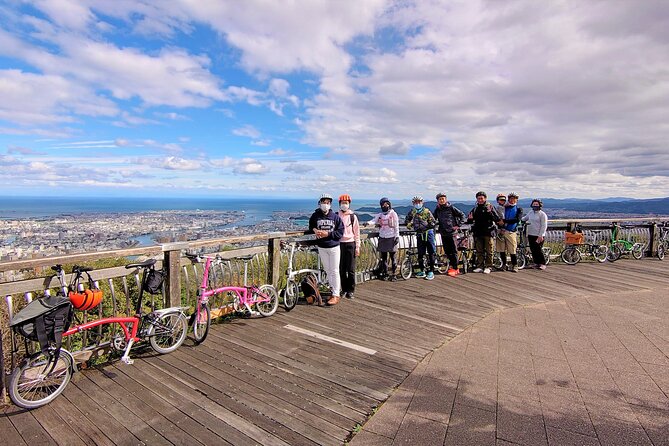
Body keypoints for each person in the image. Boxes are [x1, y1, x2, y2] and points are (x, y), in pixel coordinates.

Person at [308, 193, 345, 305]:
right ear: (320, 203)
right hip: (322, 247)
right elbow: (311, 226)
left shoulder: (335, 217)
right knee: (328, 271)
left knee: (334, 270)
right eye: (324, 202)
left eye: (328, 202)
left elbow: (340, 232)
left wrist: (327, 234)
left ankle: (336, 294)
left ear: (330, 204)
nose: (325, 204)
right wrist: (314, 230)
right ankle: (332, 290)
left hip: (334, 247)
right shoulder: (315, 216)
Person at [467, 191, 502, 274]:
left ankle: (489, 266)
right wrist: (470, 219)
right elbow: (470, 220)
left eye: (482, 198)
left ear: (485, 198)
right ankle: (480, 266)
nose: (480, 200)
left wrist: (490, 212)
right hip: (478, 232)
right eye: (478, 198)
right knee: (479, 250)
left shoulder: (489, 207)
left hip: (488, 232)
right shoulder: (475, 208)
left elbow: (497, 219)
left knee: (489, 250)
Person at [433, 192, 466, 276]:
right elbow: (433, 219)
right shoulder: (438, 209)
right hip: (443, 233)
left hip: (452, 233)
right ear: (437, 201)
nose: (441, 200)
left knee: (453, 250)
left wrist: (458, 225)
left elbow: (462, 215)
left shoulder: (451, 208)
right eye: (440, 199)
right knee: (447, 251)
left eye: (443, 199)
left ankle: (456, 268)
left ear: (446, 199)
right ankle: (452, 267)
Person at [405, 195, 437, 280]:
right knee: (420, 253)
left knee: (431, 252)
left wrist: (427, 227)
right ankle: (422, 270)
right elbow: (407, 220)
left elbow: (433, 222)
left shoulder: (426, 211)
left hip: (428, 234)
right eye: (416, 202)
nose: (417, 203)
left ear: (422, 203)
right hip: (419, 235)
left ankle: (431, 271)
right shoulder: (413, 211)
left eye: (419, 202)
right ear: (413, 203)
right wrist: (409, 224)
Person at [370, 197, 400, 281]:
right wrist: (367, 223)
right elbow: (374, 220)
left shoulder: (393, 214)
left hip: (391, 237)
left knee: (393, 257)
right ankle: (385, 273)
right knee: (384, 258)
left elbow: (396, 225)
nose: (385, 205)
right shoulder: (380, 215)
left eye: (386, 204)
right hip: (382, 237)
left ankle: (394, 274)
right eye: (383, 204)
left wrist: (397, 236)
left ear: (389, 204)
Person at [337, 194, 360, 299]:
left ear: (349, 204)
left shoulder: (352, 216)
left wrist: (357, 247)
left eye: (346, 203)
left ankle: (351, 290)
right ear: (339, 204)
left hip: (351, 243)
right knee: (341, 269)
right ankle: (344, 289)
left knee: (350, 269)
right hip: (339, 244)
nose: (344, 205)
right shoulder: (337, 216)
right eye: (342, 203)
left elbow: (357, 233)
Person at [497, 192, 524, 272]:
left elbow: (517, 219)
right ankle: (504, 264)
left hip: (511, 231)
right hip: (501, 231)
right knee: (501, 249)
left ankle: (514, 265)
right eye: (510, 199)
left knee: (512, 249)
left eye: (514, 199)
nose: (512, 200)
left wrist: (505, 221)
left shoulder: (519, 209)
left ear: (517, 200)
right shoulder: (504, 207)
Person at [522, 198, 548, 270]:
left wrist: (541, 235)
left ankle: (542, 263)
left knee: (538, 249)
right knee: (533, 250)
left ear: (540, 205)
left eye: (537, 204)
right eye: (534, 204)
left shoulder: (542, 214)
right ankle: (536, 263)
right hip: (530, 234)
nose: (535, 206)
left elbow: (544, 225)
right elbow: (524, 218)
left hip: (538, 235)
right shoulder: (530, 212)